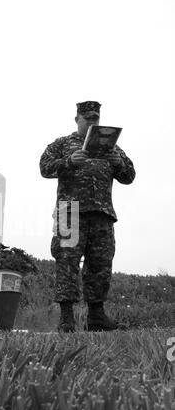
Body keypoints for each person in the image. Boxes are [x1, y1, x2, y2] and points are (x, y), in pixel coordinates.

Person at [39, 101, 136, 332]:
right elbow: (44, 167)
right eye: (88, 118)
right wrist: (68, 162)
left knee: (100, 265)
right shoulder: (62, 144)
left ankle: (96, 317)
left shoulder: (111, 146)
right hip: (69, 211)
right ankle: (66, 318)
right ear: (77, 120)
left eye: (96, 118)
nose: (93, 121)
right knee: (67, 262)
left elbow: (130, 175)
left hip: (102, 213)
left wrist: (118, 163)